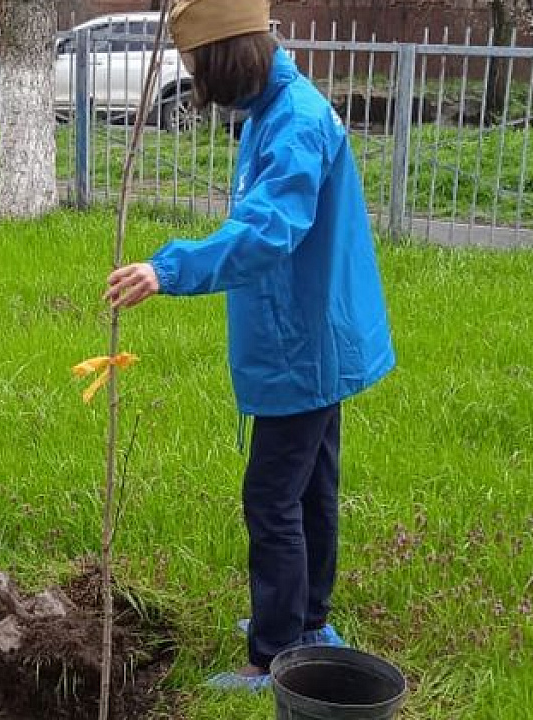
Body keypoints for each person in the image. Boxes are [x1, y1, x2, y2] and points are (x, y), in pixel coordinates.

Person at [105, 0, 396, 692]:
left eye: (200, 69)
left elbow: (270, 228)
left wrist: (167, 268)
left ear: (228, 57)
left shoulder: (293, 122)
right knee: (311, 489)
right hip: (310, 336)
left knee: (272, 499)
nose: (200, 86)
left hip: (304, 345)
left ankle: (273, 656)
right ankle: (308, 620)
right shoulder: (276, 109)